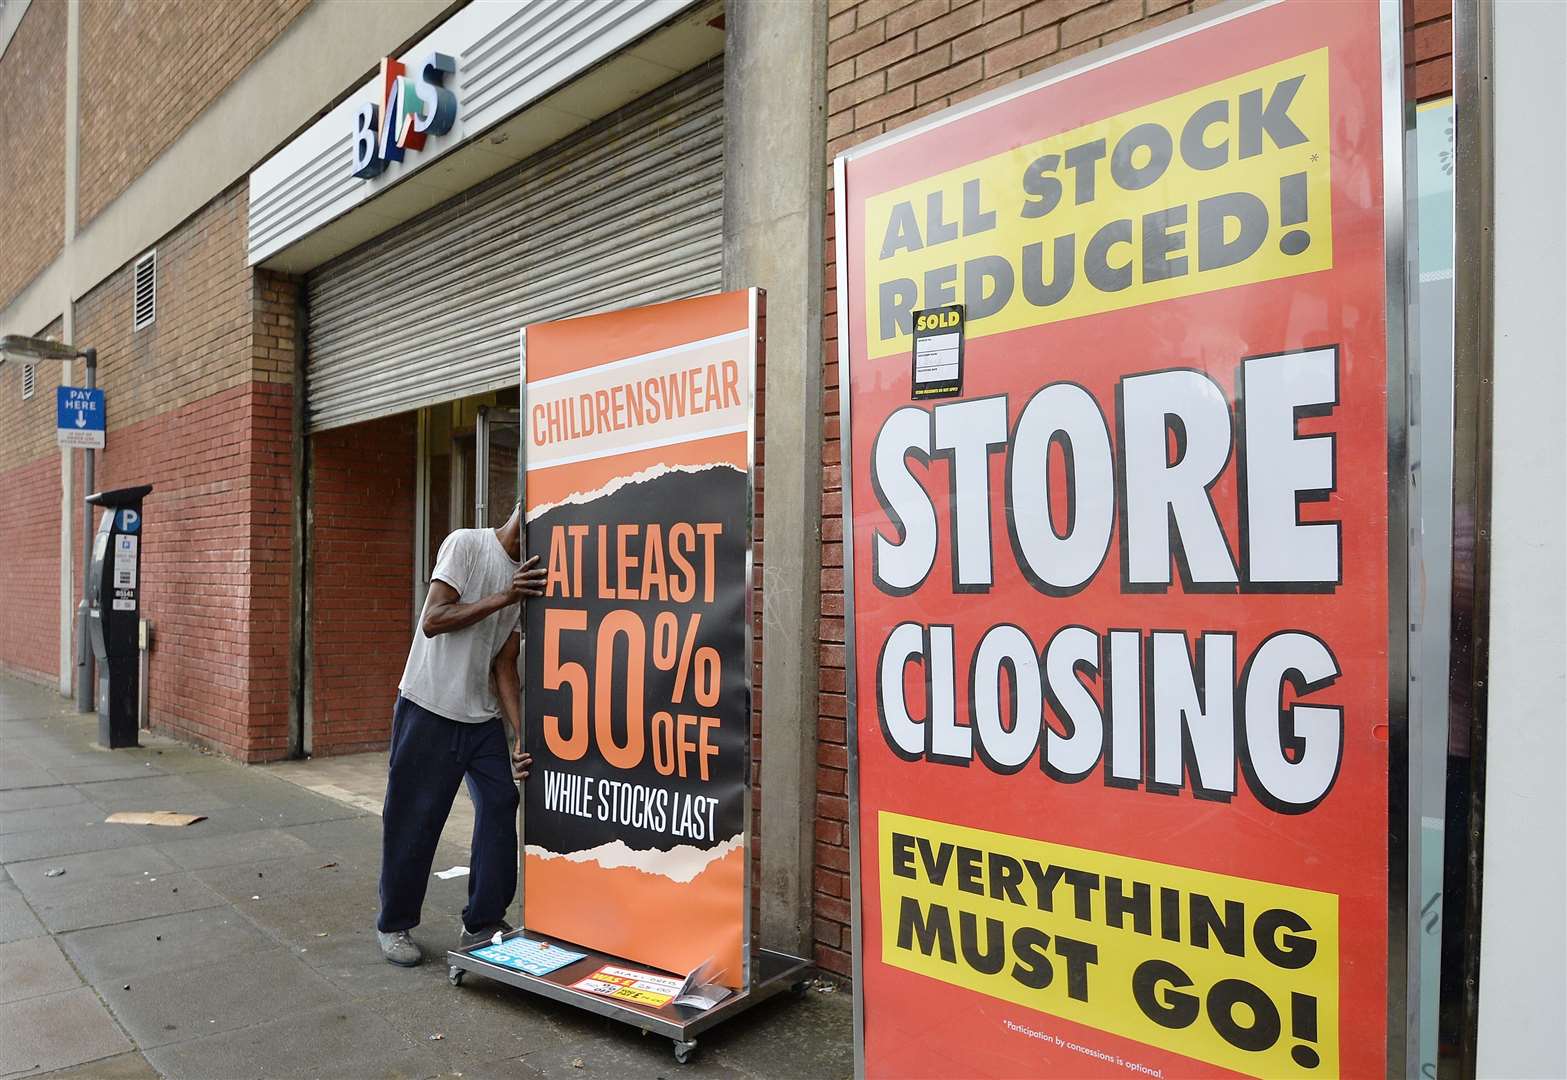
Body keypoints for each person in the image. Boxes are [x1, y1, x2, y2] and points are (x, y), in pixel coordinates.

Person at [375, 502, 546, 966]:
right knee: (415, 819)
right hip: (427, 707)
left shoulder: (526, 580)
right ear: (522, 511)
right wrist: (504, 597)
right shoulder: (467, 544)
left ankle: (483, 921)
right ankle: (395, 925)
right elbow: (433, 620)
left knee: (501, 802)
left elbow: (504, 663)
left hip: (480, 718)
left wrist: (519, 736)